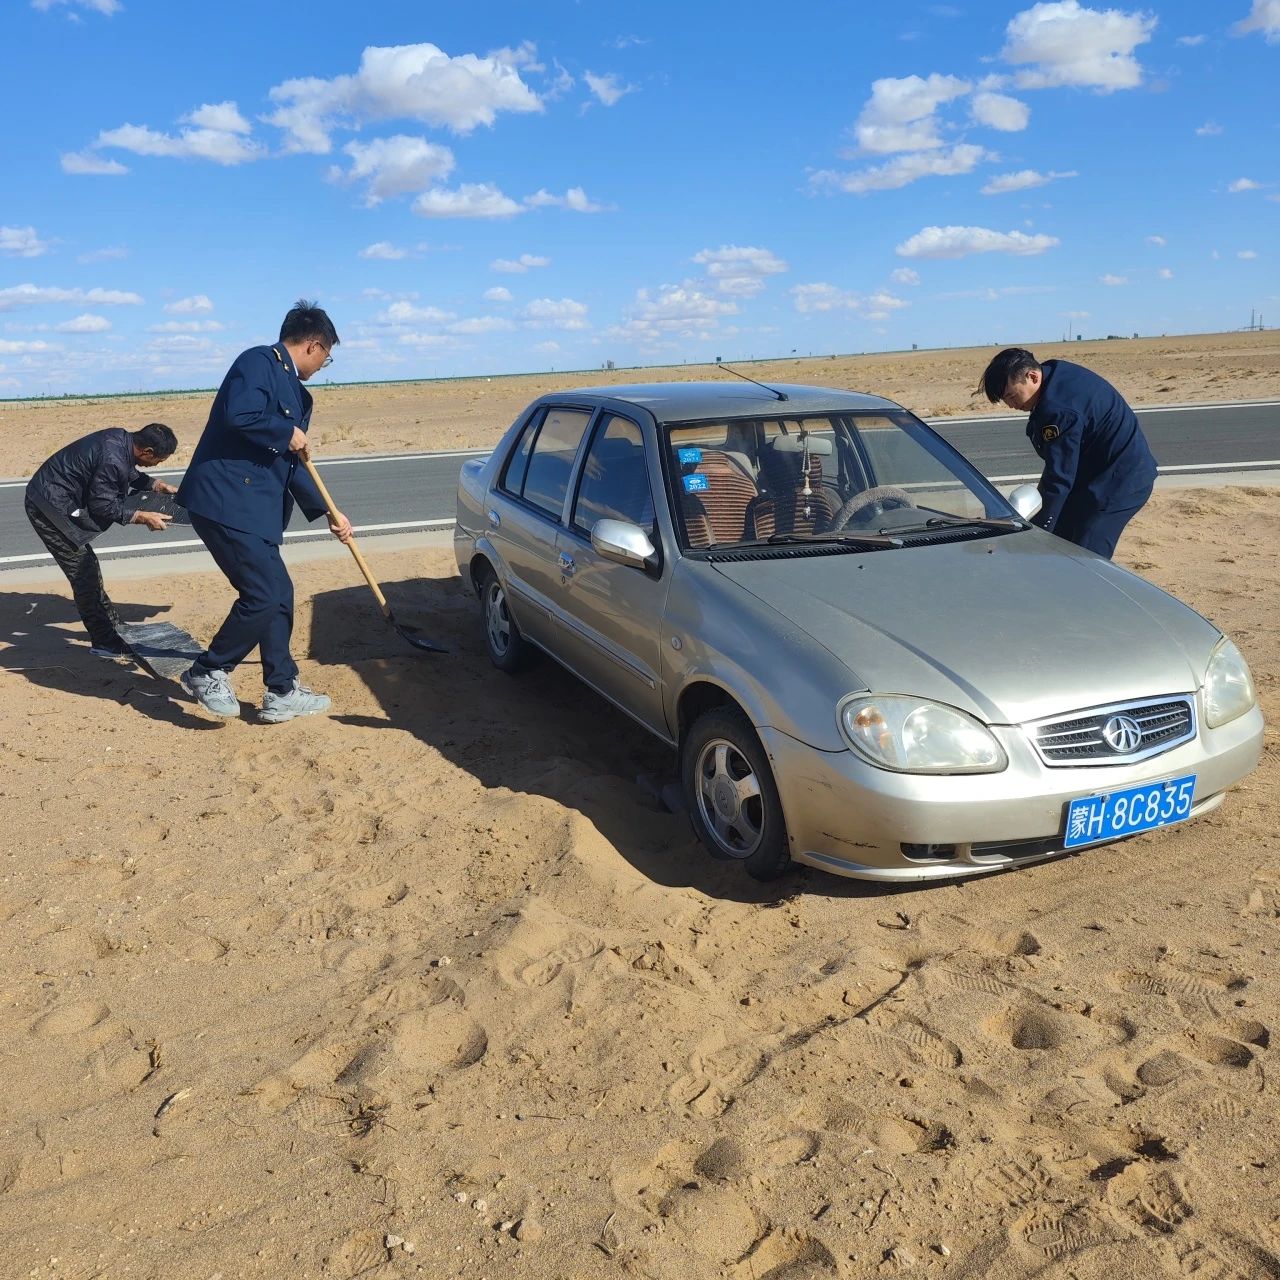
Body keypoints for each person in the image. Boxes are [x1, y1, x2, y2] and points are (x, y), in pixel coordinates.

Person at [176, 300, 352, 723]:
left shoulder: (297, 393)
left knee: (279, 594)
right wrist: (284, 431)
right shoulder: (258, 362)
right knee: (264, 594)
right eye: (327, 357)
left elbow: (290, 463)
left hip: (253, 509)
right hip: (225, 502)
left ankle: (282, 689)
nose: (324, 364)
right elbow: (239, 416)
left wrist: (329, 511)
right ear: (314, 345)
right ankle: (208, 670)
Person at [977, 348, 1157, 559]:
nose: (1011, 404)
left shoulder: (1059, 410)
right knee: (1060, 541)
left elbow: (1059, 477)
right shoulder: (1052, 375)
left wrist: (1038, 529)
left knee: (1084, 558)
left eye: (1011, 395)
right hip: (1093, 474)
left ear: (1032, 376)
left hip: (1120, 483)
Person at [25, 423, 179, 658]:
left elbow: (128, 470)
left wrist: (155, 485)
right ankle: (105, 643)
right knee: (84, 574)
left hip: (54, 494)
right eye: (157, 460)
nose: (156, 465)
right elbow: (103, 505)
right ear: (146, 451)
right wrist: (141, 516)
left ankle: (115, 629)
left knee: (89, 569)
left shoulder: (121, 440)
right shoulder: (113, 459)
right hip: (48, 507)